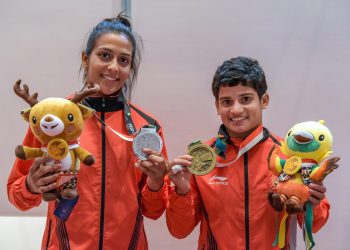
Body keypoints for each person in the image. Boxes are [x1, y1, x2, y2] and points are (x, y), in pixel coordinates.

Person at [8, 13, 169, 250]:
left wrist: (156, 182)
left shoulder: (147, 128)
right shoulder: (50, 118)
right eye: (105, 55)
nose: (114, 67)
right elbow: (15, 194)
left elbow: (153, 211)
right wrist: (31, 186)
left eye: (123, 61)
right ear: (86, 58)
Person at [166, 56, 330, 250]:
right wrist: (181, 191)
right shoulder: (202, 160)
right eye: (226, 101)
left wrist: (311, 202)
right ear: (217, 106)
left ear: (264, 100)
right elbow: (179, 230)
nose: (236, 110)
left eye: (245, 99)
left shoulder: (290, 156)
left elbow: (316, 224)